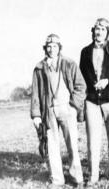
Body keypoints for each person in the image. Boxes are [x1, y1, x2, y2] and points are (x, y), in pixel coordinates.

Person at [30, 34, 87, 188]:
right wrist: (36, 115)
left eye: (55, 46)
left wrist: (73, 106)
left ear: (59, 47)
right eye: (49, 46)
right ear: (45, 48)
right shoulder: (39, 68)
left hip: (67, 108)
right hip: (48, 111)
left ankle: (77, 178)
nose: (51, 49)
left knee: (72, 145)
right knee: (52, 146)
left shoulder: (69, 63)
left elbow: (81, 86)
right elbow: (35, 93)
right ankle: (57, 180)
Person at [79, 18, 109, 183]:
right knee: (93, 140)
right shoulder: (85, 52)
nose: (99, 32)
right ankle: (93, 176)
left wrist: (107, 81)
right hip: (92, 101)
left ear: (107, 32)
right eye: (97, 29)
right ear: (93, 31)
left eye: (103, 29)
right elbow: (81, 78)